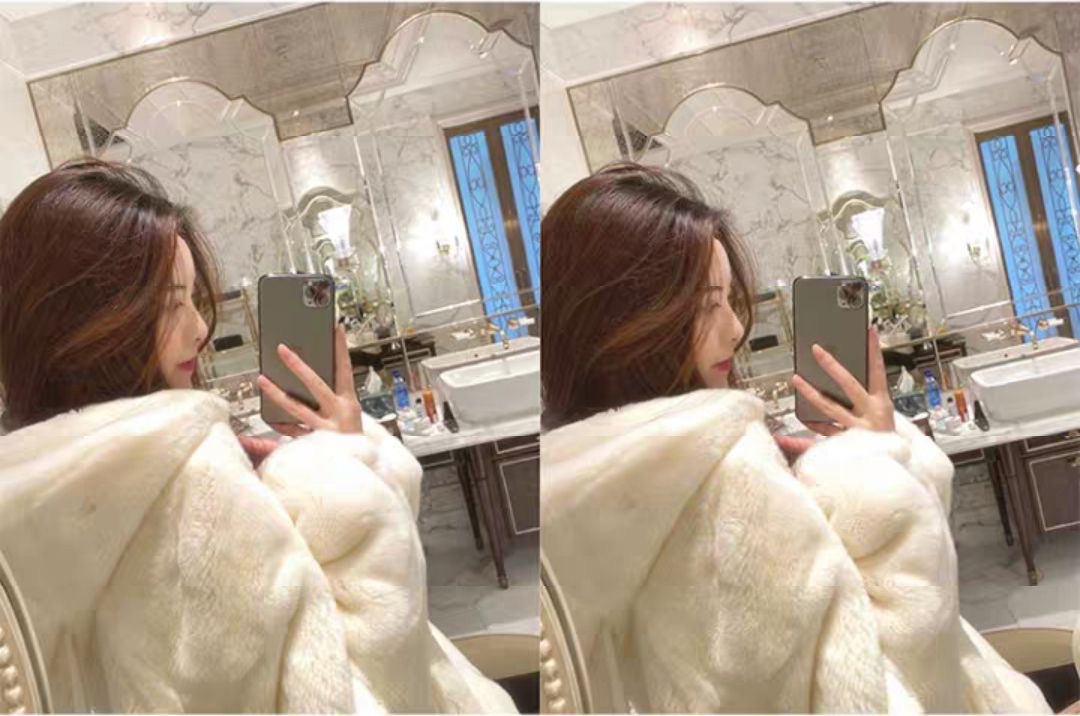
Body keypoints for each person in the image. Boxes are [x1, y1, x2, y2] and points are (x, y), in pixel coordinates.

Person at [0, 158, 515, 713]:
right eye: (171, 304)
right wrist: (347, 470)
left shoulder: (38, 497)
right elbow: (360, 693)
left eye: (193, 301)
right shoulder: (192, 486)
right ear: (91, 323)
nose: (200, 328)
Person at [540, 162, 1049, 713]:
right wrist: (875, 469)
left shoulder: (582, 481)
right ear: (627, 322)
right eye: (707, 305)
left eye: (729, 301)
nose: (736, 328)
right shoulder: (727, 481)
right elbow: (887, 693)